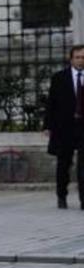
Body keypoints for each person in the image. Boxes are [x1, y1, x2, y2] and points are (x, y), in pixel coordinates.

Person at [44, 45, 84, 209]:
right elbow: (51, 103)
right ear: (71, 59)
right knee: (63, 164)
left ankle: (83, 199)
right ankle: (61, 196)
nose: (81, 61)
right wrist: (48, 125)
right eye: (78, 57)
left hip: (83, 128)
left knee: (83, 165)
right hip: (64, 127)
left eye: (83, 57)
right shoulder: (59, 77)